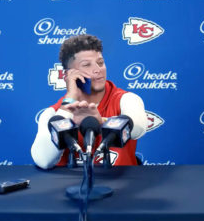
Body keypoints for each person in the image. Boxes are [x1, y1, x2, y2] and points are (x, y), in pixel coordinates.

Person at [31, 34, 148, 169]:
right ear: (68, 75)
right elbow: (43, 160)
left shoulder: (127, 99)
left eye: (100, 62)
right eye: (86, 65)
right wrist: (69, 102)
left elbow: (138, 128)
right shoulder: (52, 113)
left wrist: (101, 122)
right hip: (68, 187)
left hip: (120, 186)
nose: (98, 69)